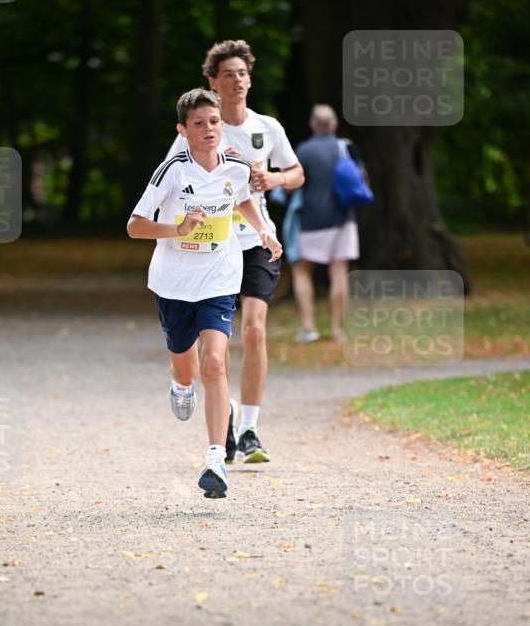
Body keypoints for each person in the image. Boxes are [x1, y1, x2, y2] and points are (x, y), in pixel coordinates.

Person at [127, 88, 282, 499]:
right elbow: (135, 225)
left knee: (215, 363)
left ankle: (215, 458)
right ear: (183, 130)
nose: (210, 129)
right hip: (174, 282)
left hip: (219, 277)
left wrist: (263, 230)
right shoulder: (171, 171)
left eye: (214, 122)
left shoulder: (235, 166)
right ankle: (180, 386)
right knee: (187, 369)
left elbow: (245, 199)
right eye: (199, 123)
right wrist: (176, 230)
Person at [166, 39, 304, 464]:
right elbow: (169, 181)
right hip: (212, 246)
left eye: (243, 73)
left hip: (257, 241)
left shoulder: (267, 127)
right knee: (216, 344)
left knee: (256, 330)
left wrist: (273, 180)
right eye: (228, 74)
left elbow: (297, 173)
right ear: (213, 81)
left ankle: (250, 428)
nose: (238, 81)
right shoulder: (199, 129)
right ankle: (221, 418)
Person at [293, 104, 363, 344]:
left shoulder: (303, 150)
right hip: (344, 218)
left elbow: (294, 185)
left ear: (313, 124)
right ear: (334, 125)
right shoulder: (346, 148)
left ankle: (308, 326)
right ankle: (336, 330)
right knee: (339, 271)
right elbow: (362, 179)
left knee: (302, 269)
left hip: (312, 219)